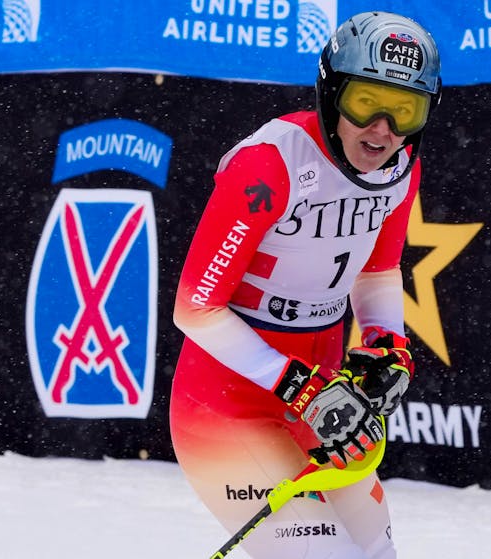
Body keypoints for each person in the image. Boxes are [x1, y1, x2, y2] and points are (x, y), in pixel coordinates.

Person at [170, 11, 441, 559]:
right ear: (331, 90)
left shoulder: (400, 167)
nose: (383, 129)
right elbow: (195, 308)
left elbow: (377, 270)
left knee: (376, 553)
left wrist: (387, 343)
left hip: (324, 398)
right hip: (228, 405)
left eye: (405, 110)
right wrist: (300, 387)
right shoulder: (269, 166)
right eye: (366, 102)